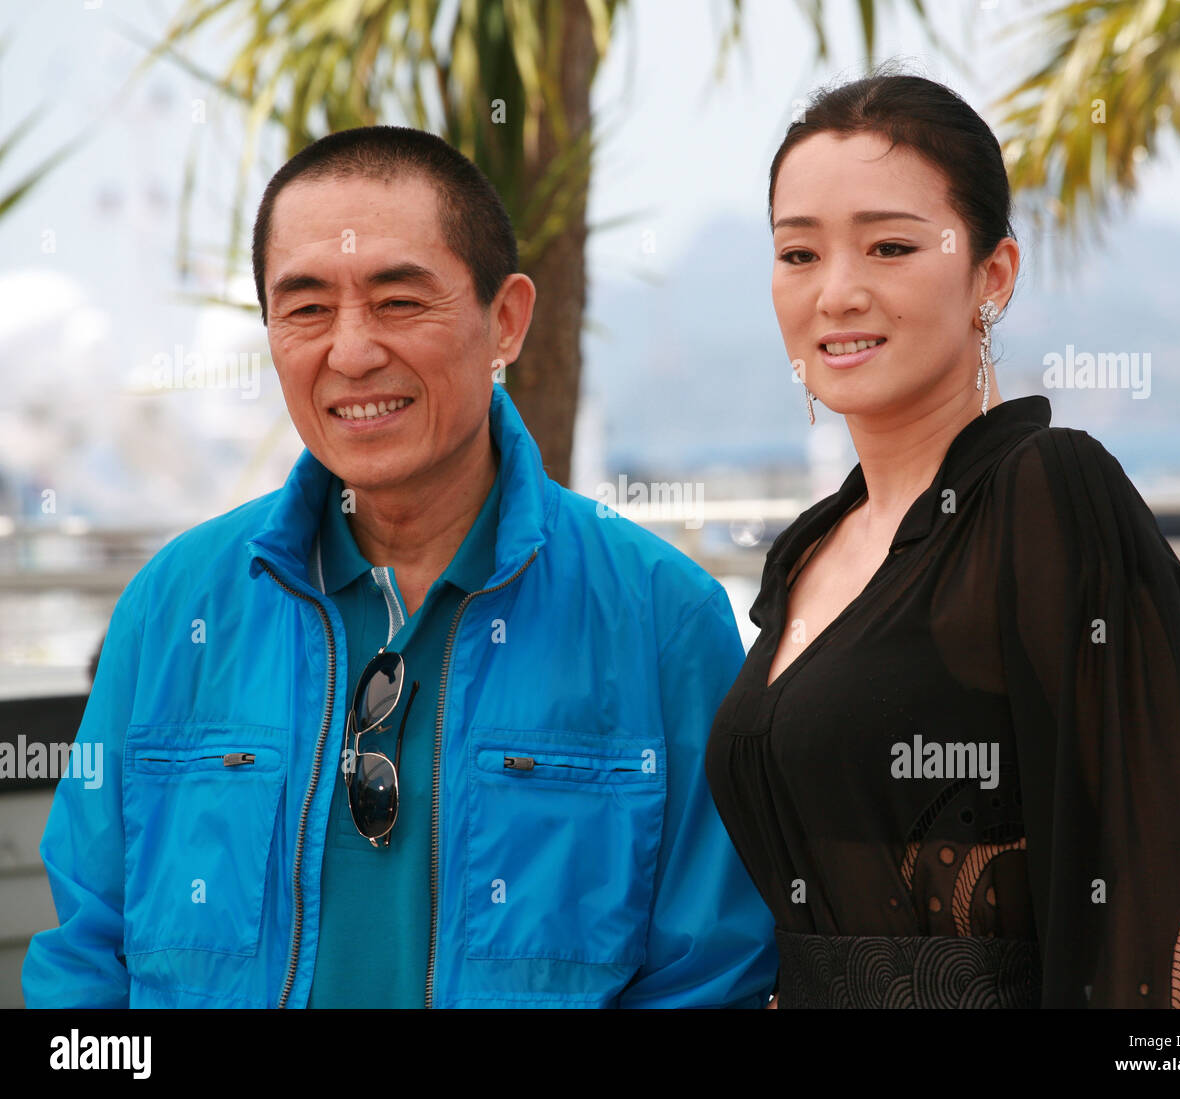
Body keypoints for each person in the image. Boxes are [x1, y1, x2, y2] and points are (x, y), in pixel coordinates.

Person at [22, 125, 777, 1008]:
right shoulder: (173, 607)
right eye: (306, 308)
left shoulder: (659, 618)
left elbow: (709, 977)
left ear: (506, 320)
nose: (350, 353)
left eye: (398, 301)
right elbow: (86, 953)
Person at [705, 69, 1180, 1009]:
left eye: (890, 246)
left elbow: (1150, 906)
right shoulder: (809, 549)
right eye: (799, 253)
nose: (837, 292)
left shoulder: (1049, 492)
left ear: (993, 275)